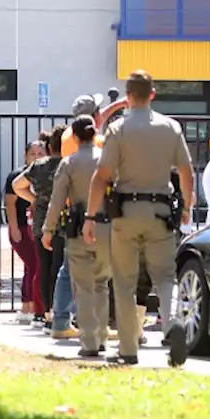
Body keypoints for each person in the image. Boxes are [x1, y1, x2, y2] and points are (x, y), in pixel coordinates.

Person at [85, 70, 194, 365]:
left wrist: (90, 217)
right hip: (161, 211)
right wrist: (186, 206)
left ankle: (129, 349)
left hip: (126, 212)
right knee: (166, 276)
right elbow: (186, 171)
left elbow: (101, 176)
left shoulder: (118, 129)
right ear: (153, 95)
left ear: (128, 98)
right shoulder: (170, 127)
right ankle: (172, 324)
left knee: (124, 281)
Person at [44, 115, 112, 358]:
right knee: (102, 284)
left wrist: (48, 229)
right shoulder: (108, 161)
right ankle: (102, 335)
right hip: (108, 229)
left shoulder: (68, 163)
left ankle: (90, 340)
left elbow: (57, 200)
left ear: (73, 136)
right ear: (95, 135)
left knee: (82, 287)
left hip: (79, 228)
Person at [13, 124, 69, 333]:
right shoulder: (67, 164)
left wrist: (35, 199)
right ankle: (61, 312)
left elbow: (18, 185)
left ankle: (46, 314)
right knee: (60, 268)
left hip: (40, 221)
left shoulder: (40, 166)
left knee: (44, 268)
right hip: (63, 222)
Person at [6, 140, 46, 324]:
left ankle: (29, 306)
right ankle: (29, 306)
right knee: (34, 265)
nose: (36, 157)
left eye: (40, 153)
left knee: (34, 266)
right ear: (25, 155)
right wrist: (14, 228)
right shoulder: (17, 176)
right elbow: (10, 204)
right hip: (22, 227)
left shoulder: (47, 175)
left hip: (40, 228)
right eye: (33, 153)